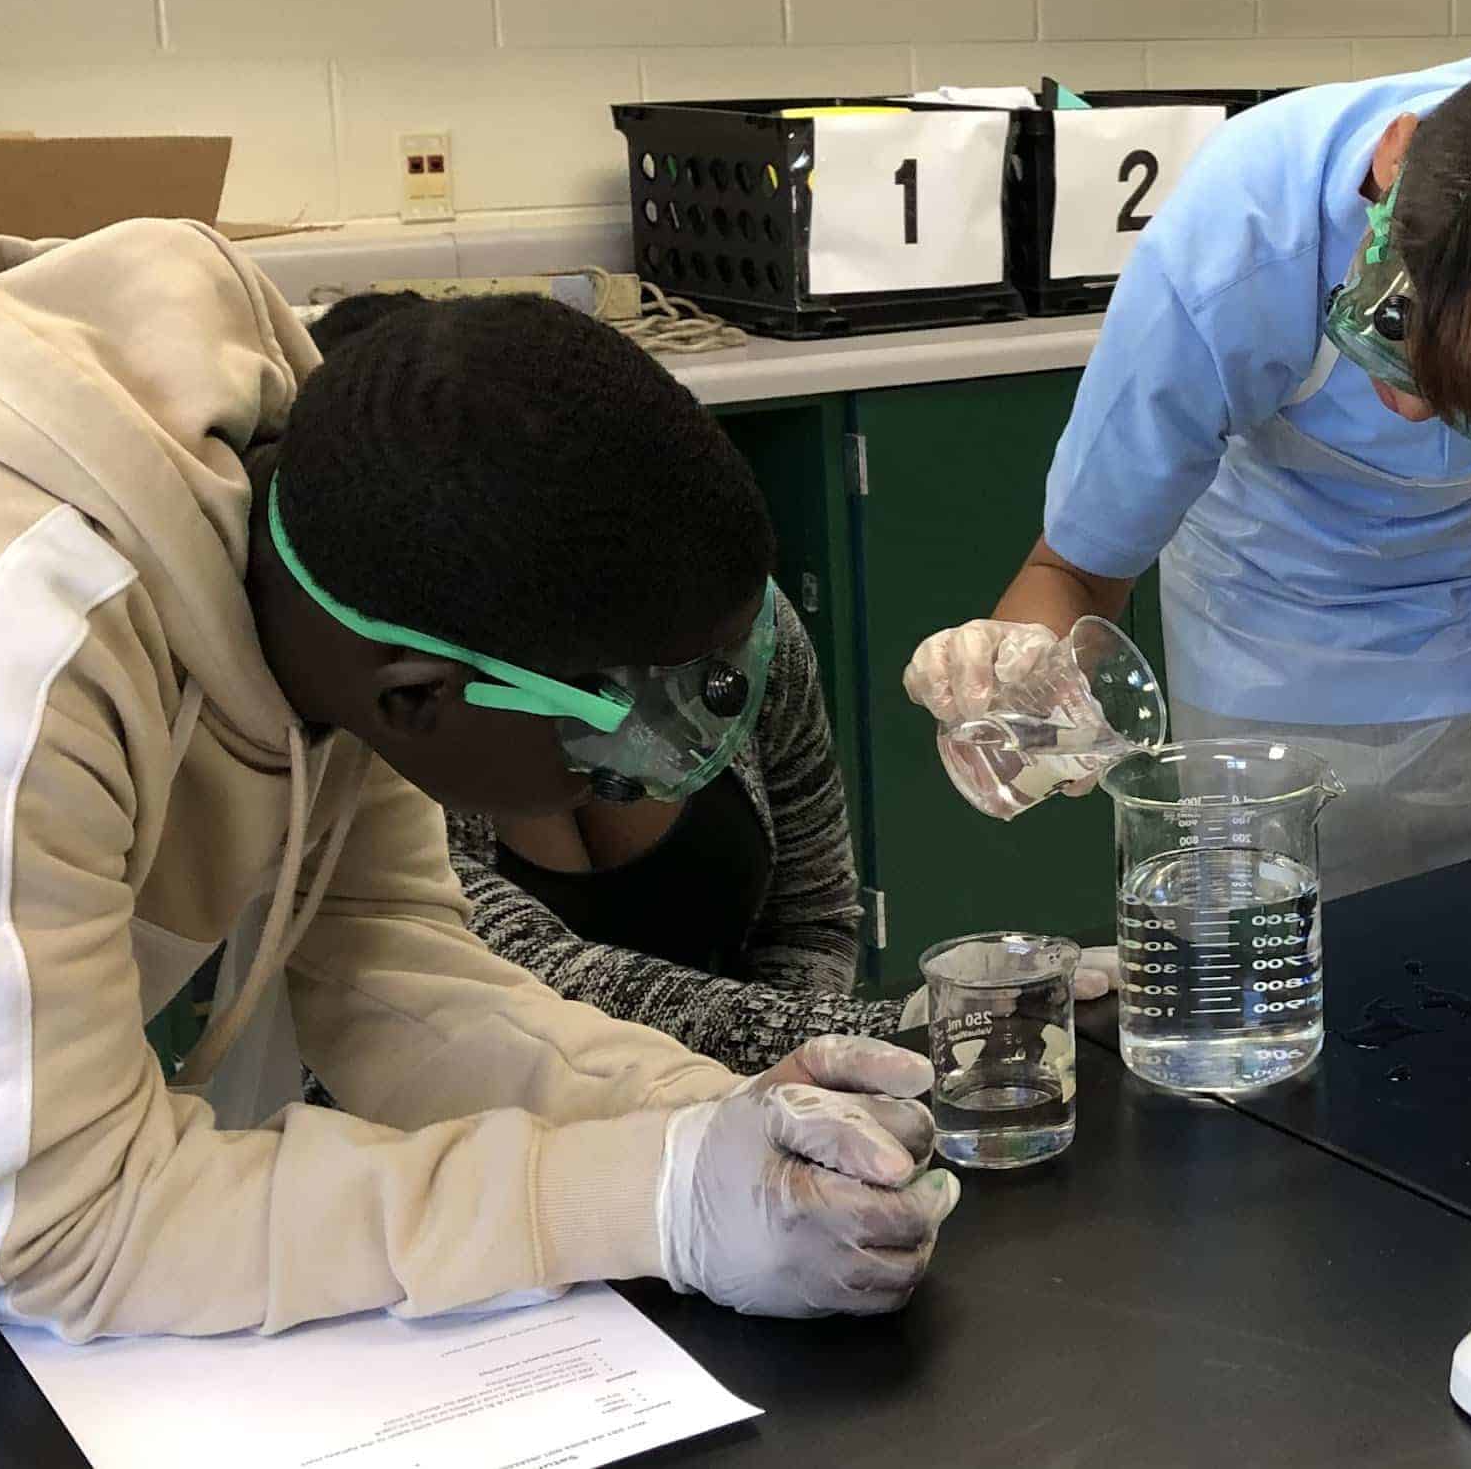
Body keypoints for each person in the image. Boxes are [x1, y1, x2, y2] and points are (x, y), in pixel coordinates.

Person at [0, 222, 959, 1338]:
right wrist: (647, 1200)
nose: (634, 782)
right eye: (613, 741)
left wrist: (701, 1111)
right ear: (419, 697)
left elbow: (396, 979)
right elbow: (63, 1235)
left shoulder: (342, 559)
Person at [908, 51, 1471, 894]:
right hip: (1280, 664)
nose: (1411, 409)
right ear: (1394, 161)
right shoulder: (1233, 243)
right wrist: (1008, 674)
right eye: (1389, 337)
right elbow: (1072, 572)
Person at [298, 295, 1107, 1075]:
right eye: (622, 700)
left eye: (714, 676)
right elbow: (521, 999)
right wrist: (884, 1033)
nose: (698, 709)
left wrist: (803, 1100)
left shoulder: (723, 627)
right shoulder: (384, 755)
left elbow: (813, 917)